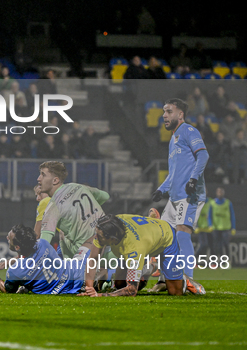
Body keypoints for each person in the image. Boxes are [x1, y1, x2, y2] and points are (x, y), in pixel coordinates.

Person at [150, 98, 209, 292]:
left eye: (168, 111)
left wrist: (193, 179)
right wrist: (161, 189)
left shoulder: (188, 131)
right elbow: (174, 173)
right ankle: (165, 280)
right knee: (164, 238)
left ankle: (188, 280)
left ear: (180, 114)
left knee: (182, 234)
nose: (164, 116)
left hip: (190, 195)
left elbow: (203, 155)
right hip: (174, 197)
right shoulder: (173, 138)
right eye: (163, 112)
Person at [78, 214, 205, 297]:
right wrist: (89, 289)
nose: (96, 238)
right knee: (119, 285)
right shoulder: (111, 225)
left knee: (175, 293)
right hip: (144, 238)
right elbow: (93, 259)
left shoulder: (133, 249)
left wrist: (100, 295)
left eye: (99, 236)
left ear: (112, 238)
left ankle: (182, 279)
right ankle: (150, 267)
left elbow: (132, 291)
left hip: (166, 240)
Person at [38, 161, 110, 288]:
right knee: (63, 235)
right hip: (109, 242)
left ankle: (89, 277)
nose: (39, 179)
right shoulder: (78, 186)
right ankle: (103, 276)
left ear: (55, 180)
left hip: (88, 251)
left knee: (70, 283)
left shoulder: (53, 206)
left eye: (43, 175)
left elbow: (44, 243)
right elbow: (105, 196)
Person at [0, 224, 87, 295]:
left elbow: (8, 290)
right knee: (90, 244)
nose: (7, 238)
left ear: (17, 247)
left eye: (9, 238)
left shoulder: (15, 272)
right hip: (79, 271)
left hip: (69, 289)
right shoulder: (43, 243)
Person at [208, 187, 236, 263]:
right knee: (217, 246)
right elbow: (209, 216)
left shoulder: (228, 203)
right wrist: (210, 225)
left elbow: (232, 215)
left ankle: (228, 261)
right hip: (216, 228)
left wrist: (233, 228)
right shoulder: (212, 203)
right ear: (216, 193)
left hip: (225, 228)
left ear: (223, 193)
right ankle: (218, 262)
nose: (220, 193)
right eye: (218, 192)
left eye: (221, 192)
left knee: (226, 244)